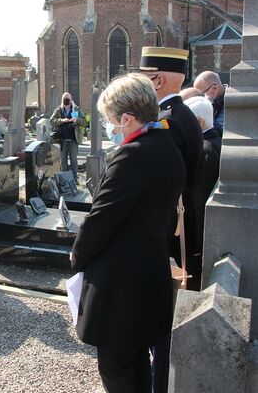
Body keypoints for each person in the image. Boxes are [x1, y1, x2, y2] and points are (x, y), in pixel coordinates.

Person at [71, 73, 185, 393]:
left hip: (121, 286)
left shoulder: (132, 156)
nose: (109, 127)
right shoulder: (166, 145)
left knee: (117, 369)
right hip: (150, 273)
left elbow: (101, 219)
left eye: (110, 120)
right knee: (137, 366)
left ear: (126, 118)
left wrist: (77, 256)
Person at [139, 46, 203, 392]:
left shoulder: (166, 122)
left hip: (166, 233)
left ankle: (159, 382)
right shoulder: (183, 115)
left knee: (163, 316)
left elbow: (156, 187)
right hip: (178, 227)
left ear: (158, 79)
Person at [184, 95, 222, 286]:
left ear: (199, 121)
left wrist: (197, 241)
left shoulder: (205, 150)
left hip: (197, 234)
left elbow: (199, 198)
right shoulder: (213, 141)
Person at [49, 92, 86, 181]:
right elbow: (51, 121)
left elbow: (84, 122)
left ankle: (74, 179)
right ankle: (64, 180)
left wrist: (76, 119)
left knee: (73, 160)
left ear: (71, 99)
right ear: (62, 100)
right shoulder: (59, 110)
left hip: (73, 139)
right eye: (64, 99)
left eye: (67, 99)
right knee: (63, 161)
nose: (66, 100)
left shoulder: (76, 109)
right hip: (62, 139)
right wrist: (62, 120)